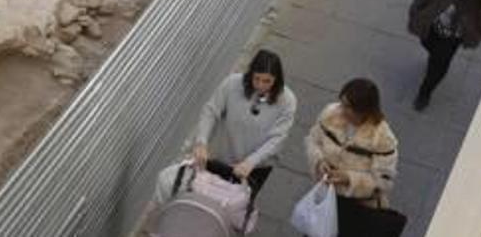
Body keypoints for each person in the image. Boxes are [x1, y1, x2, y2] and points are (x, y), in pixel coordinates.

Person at [152, 49, 297, 205]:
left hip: (254, 167)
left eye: (267, 81)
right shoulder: (232, 84)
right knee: (204, 201)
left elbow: (277, 138)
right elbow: (211, 111)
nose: (260, 85)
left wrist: (251, 162)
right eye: (257, 79)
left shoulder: (287, 101)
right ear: (250, 75)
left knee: (237, 208)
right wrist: (201, 142)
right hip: (221, 159)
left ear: (277, 79)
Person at [305, 78, 400, 236]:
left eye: (349, 107)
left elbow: (382, 183)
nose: (342, 109)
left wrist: (348, 178)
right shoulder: (330, 114)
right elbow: (313, 140)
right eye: (342, 102)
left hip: (357, 208)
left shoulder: (383, 138)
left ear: (364, 109)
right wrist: (319, 161)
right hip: (326, 197)